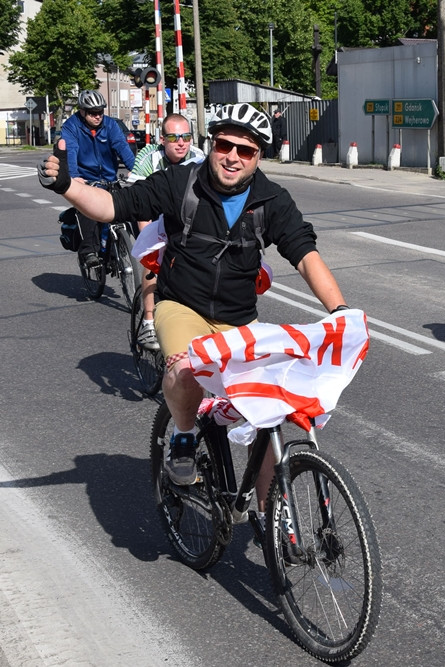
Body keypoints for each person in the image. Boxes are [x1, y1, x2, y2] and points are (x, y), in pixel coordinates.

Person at [39, 103, 348, 509]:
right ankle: (183, 436)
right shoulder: (182, 183)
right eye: (225, 145)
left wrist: (340, 311)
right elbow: (115, 206)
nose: (233, 157)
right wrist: (66, 185)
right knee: (186, 367)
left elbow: (305, 255)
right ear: (212, 144)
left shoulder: (272, 200)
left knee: (268, 415)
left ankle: (277, 518)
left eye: (246, 150)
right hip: (181, 306)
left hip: (238, 319)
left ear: (258, 158)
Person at [127, 113, 206, 351]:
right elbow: (140, 206)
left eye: (186, 136)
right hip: (152, 215)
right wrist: (150, 239)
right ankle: (149, 321)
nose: (181, 142)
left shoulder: (199, 158)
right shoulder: (148, 158)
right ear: (163, 139)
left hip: (184, 215)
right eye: (173, 137)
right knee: (155, 260)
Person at [59, 90, 136, 268]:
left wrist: (136, 169)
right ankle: (89, 253)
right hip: (86, 179)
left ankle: (115, 249)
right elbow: (71, 151)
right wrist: (75, 177)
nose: (98, 116)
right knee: (88, 212)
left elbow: (122, 148)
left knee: (120, 211)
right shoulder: (72, 126)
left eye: (100, 112)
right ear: (82, 111)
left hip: (108, 177)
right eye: (93, 113)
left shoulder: (110, 125)